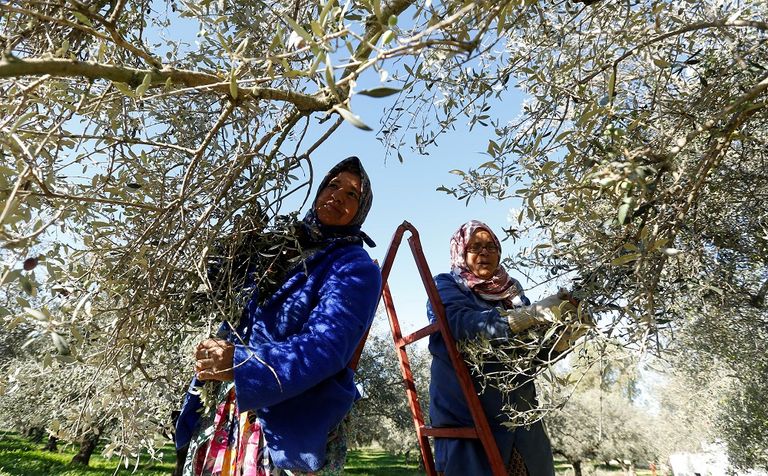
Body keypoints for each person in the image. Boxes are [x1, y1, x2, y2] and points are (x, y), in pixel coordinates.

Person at [174, 157, 382, 476]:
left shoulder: (355, 268)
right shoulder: (277, 248)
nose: (339, 195)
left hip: (282, 426)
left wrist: (241, 363)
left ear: (362, 209)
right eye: (333, 185)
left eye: (353, 194)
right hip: (223, 408)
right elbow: (219, 291)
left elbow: (324, 349)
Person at [428, 220, 586, 476]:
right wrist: (529, 315)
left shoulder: (512, 293)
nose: (484, 252)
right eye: (475, 246)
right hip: (471, 421)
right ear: (460, 251)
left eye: (491, 246)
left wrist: (564, 338)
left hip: (522, 426)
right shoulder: (446, 285)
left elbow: (529, 357)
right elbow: (458, 326)